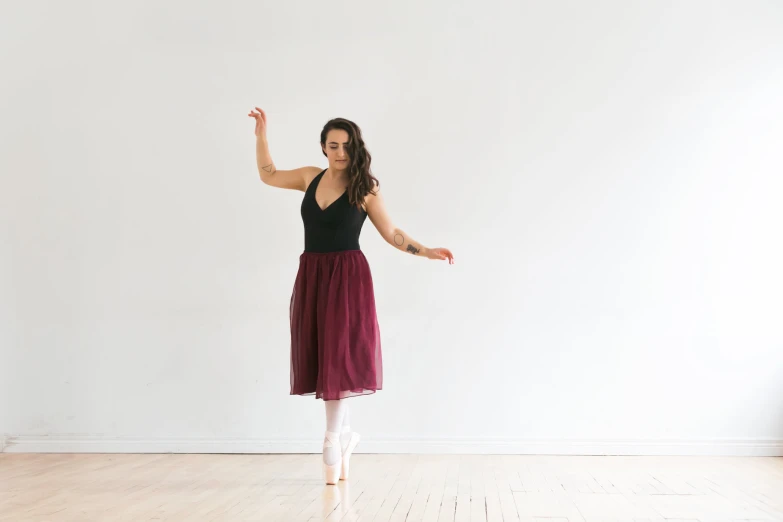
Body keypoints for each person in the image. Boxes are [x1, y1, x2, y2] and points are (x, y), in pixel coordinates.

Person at [248, 107, 454, 484]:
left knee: (338, 357)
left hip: (347, 278)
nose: (340, 152)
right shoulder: (311, 177)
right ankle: (343, 442)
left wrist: (425, 251)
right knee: (324, 355)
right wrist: (262, 136)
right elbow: (269, 175)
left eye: (346, 146)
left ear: (355, 148)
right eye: (333, 146)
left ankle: (330, 441)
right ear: (323, 148)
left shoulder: (365, 189)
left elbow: (391, 233)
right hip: (312, 274)